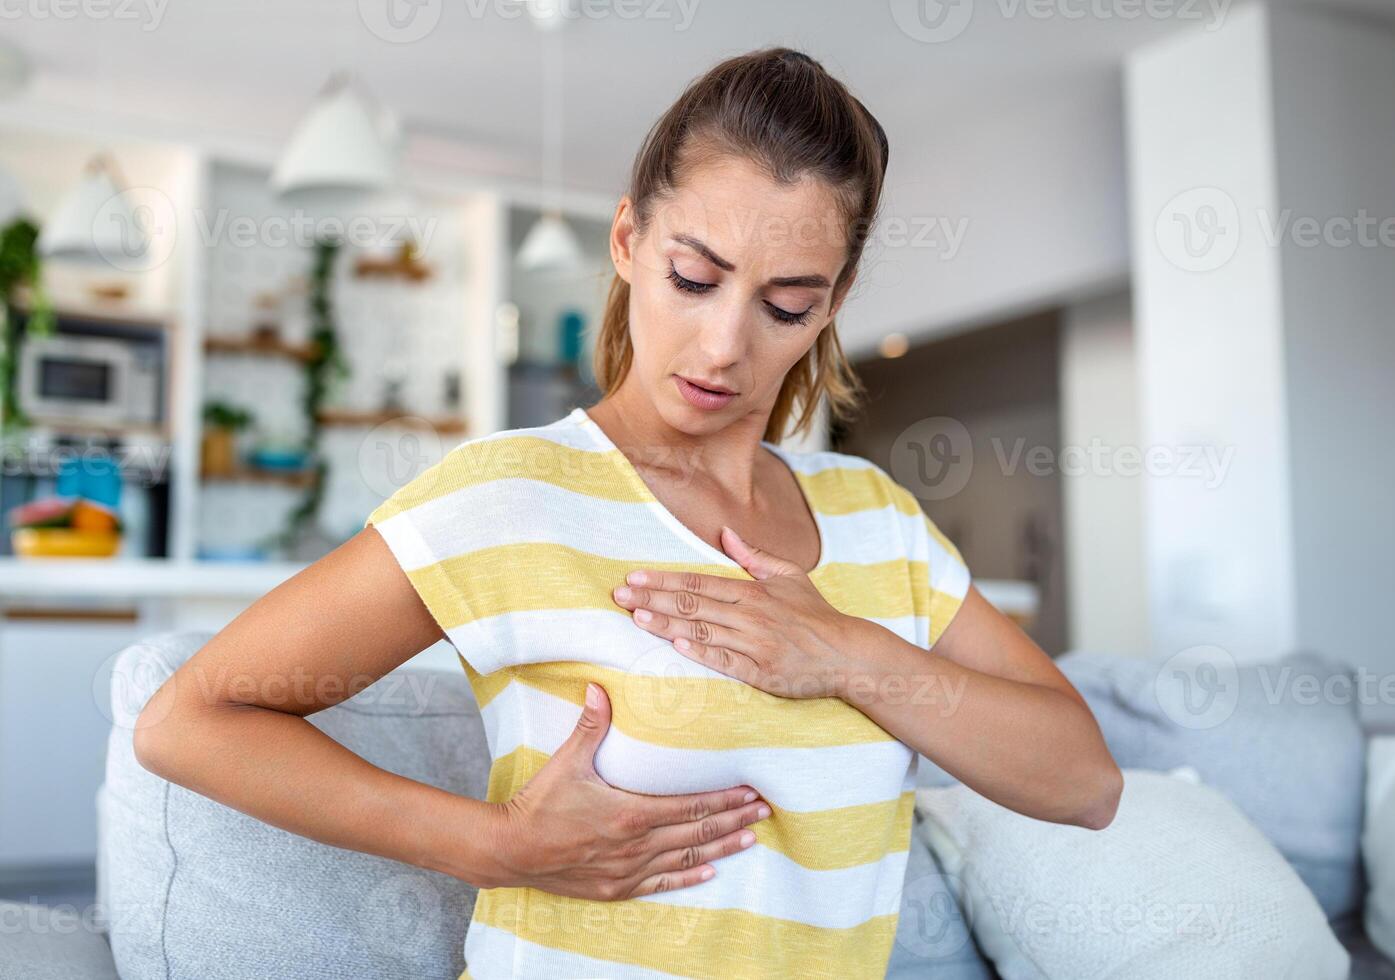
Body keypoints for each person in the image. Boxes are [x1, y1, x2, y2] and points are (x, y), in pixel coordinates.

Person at [135, 46, 1121, 979]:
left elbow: (1084, 782)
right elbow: (189, 719)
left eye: (786, 303)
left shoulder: (879, 520)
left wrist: (845, 653)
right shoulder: (510, 494)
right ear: (627, 239)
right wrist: (497, 845)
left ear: (834, 300)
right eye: (694, 277)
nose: (726, 342)